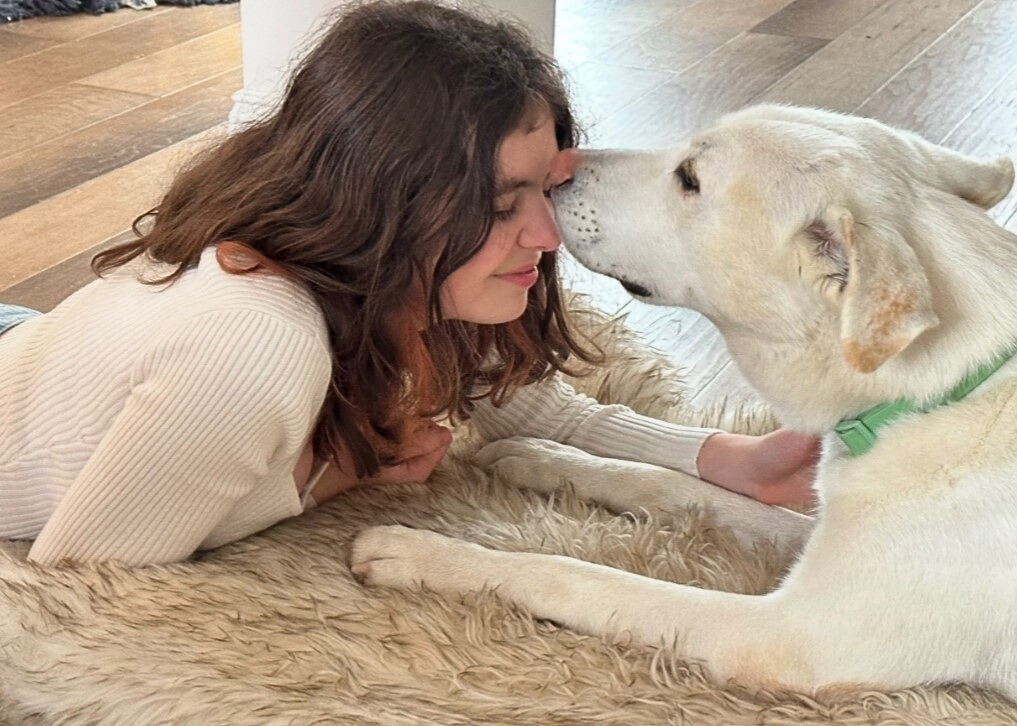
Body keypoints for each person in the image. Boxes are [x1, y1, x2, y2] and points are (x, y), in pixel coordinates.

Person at [0, 0, 817, 567]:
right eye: (502, 205)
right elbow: (86, 569)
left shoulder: (393, 281)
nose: (545, 233)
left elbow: (500, 396)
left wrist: (724, 459)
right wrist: (330, 478)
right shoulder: (255, 344)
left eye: (546, 189)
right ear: (384, 203)